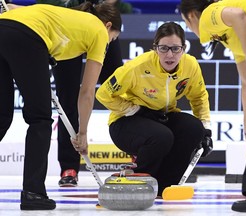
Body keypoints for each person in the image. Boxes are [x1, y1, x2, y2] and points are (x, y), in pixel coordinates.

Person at [0, 2, 121, 210]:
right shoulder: (99, 32)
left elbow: (11, 9)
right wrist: (82, 133)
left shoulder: (70, 17)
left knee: (1, 117)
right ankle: (33, 192)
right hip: (28, 36)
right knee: (40, 119)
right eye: (113, 38)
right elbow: (87, 92)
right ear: (108, 25)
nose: (110, 43)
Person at [179, 0, 246, 212]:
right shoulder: (232, 35)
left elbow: (238, 15)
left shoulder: (211, 13)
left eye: (186, 23)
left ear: (191, 15)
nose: (190, 29)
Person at [96, 21, 213, 197]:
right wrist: (136, 110)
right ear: (155, 48)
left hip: (162, 118)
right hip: (126, 122)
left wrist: (206, 129)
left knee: (194, 129)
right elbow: (103, 94)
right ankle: (139, 178)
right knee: (161, 136)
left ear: (184, 48)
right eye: (164, 48)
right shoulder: (137, 67)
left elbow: (199, 97)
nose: (170, 55)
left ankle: (166, 184)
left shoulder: (191, 66)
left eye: (175, 48)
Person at [35, 0, 126, 187]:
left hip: (102, 18)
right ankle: (69, 167)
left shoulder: (107, 29)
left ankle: (139, 153)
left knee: (120, 89)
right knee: (67, 98)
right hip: (68, 29)